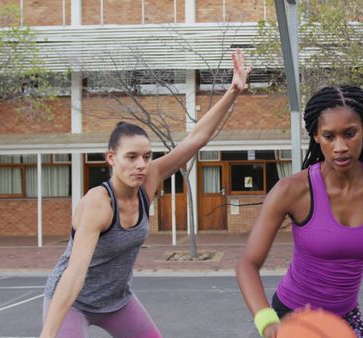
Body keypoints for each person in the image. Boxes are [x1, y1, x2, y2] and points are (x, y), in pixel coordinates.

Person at [40, 49, 251, 338]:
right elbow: (74, 275)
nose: (141, 164)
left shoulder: (149, 180)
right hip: (72, 302)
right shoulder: (98, 205)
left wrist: (233, 91)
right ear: (112, 158)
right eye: (131, 157)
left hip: (117, 301)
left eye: (147, 156)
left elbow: (196, 138)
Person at [235, 85, 363, 338]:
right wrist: (267, 321)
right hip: (292, 316)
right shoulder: (292, 190)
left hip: (346, 318)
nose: (340, 146)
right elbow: (247, 263)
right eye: (329, 136)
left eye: (350, 133)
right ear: (316, 136)